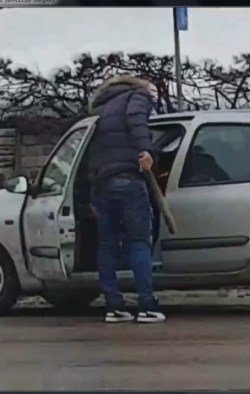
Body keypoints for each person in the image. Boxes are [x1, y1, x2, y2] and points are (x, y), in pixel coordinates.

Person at [87, 75, 165, 324]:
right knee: (139, 241)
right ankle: (147, 305)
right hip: (128, 178)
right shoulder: (137, 97)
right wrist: (145, 150)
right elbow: (136, 121)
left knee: (107, 244)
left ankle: (114, 306)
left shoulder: (100, 108)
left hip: (101, 182)